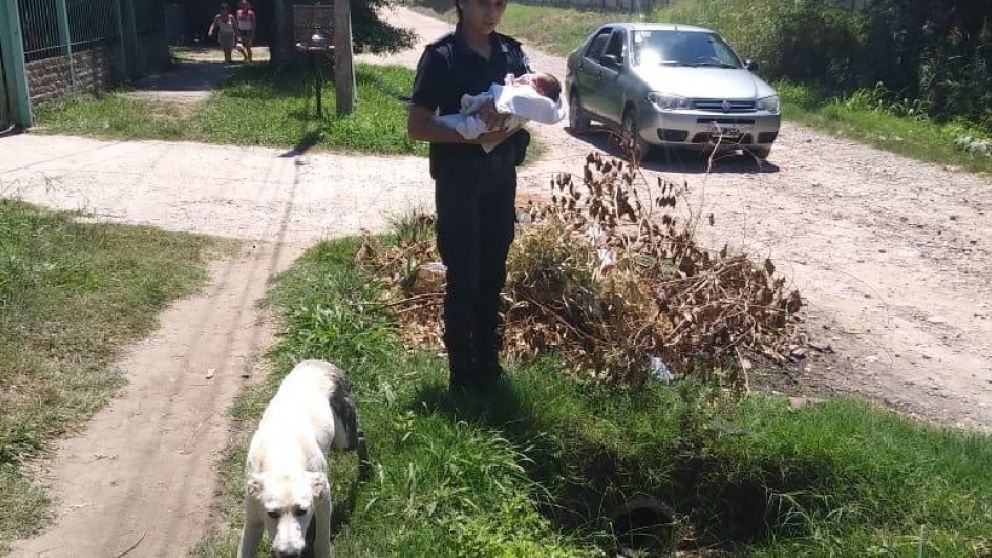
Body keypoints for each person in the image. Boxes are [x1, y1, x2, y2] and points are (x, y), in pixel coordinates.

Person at [407, 0, 533, 394]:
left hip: (499, 180)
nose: (491, 11)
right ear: (462, 2)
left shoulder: (511, 53)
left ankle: (488, 365)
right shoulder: (441, 57)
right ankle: (462, 377)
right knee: (464, 278)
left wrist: (508, 126)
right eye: (483, 2)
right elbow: (417, 127)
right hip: (459, 182)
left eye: (499, 3)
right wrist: (473, 133)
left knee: (493, 274)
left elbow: (532, 107)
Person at [434, 71, 565, 153]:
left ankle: (470, 129)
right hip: (455, 158)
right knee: (443, 122)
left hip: (499, 132)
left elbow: (518, 102)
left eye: (535, 81)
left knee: (480, 124)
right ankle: (473, 106)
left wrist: (502, 107)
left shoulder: (531, 96)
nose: (529, 79)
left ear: (541, 91)